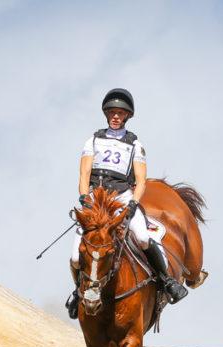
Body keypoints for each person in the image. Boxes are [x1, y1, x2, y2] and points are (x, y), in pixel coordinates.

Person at [66, 88, 189, 318]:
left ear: (127, 116)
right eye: (112, 112)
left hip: (123, 198)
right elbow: (84, 175)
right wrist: (85, 199)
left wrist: (133, 203)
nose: (115, 116)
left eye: (120, 113)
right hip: (97, 200)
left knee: (142, 237)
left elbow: (141, 181)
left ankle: (167, 280)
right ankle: (77, 292)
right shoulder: (93, 141)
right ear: (106, 114)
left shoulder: (135, 145)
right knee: (75, 256)